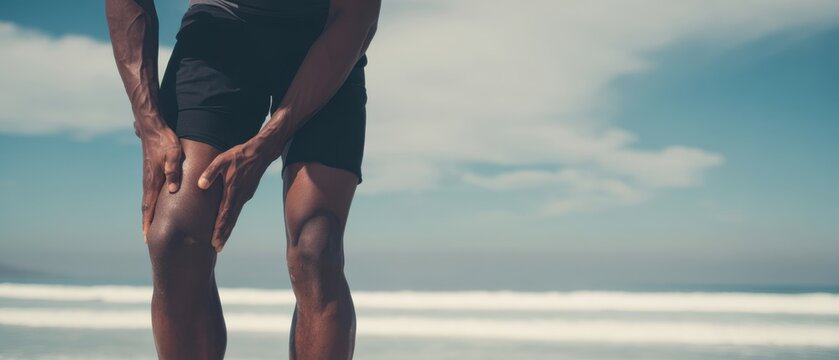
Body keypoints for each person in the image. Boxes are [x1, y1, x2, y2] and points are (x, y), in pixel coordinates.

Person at [105, 0, 380, 358]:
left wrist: (268, 144)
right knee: (173, 237)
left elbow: (358, 16)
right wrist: (149, 122)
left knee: (316, 250)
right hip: (219, 30)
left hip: (324, 31)